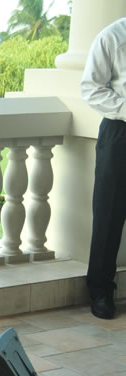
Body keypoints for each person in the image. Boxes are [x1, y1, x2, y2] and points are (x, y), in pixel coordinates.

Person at [81, 17, 126, 320]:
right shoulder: (113, 36)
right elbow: (91, 88)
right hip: (119, 132)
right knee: (109, 215)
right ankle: (100, 292)